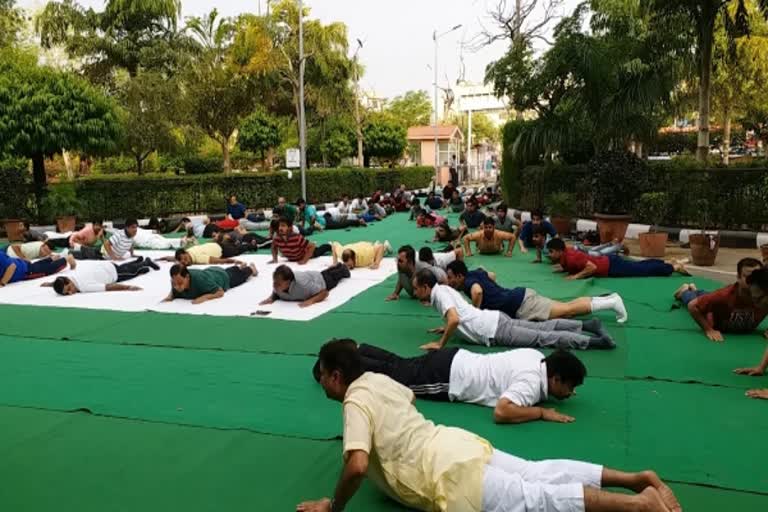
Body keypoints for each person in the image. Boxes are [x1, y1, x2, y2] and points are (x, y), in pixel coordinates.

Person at [297, 339, 681, 512]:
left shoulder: (355, 401)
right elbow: (409, 398)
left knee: (535, 499)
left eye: (323, 381)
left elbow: (358, 465)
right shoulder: (378, 382)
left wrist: (333, 506)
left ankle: (640, 506)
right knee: (536, 474)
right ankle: (636, 479)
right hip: (455, 443)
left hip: (447, 475)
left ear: (334, 377)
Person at [312, 342, 586, 424]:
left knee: (401, 364)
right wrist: (541, 412)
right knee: (397, 376)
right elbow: (502, 411)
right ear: (555, 378)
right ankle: (339, 363)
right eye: (569, 387)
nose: (570, 393)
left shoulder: (537, 357)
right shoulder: (529, 385)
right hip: (448, 379)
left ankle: (360, 348)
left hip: (455, 357)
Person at [413, 269, 615, 351]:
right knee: (543, 328)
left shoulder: (439, 295)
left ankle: (595, 341)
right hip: (495, 319)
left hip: (493, 329)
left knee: (541, 337)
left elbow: (455, 319)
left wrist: (440, 344)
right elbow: (455, 316)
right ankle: (588, 324)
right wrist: (446, 325)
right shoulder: (443, 289)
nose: (414, 292)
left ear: (425, 287)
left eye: (416, 288)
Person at [446, 260, 628, 323]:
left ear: (460, 276)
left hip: (522, 304)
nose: (449, 281)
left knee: (567, 310)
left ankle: (611, 303)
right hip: (520, 296)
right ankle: (609, 299)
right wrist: (496, 292)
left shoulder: (470, 282)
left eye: (451, 277)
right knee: (566, 308)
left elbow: (477, 292)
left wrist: (475, 311)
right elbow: (491, 275)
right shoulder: (475, 272)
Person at [676, 259, 767, 342]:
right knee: (696, 300)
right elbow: (692, 306)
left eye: (757, 277)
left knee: (708, 296)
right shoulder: (723, 296)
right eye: (748, 277)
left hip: (717, 297)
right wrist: (708, 329)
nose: (753, 281)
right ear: (738, 277)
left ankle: (696, 290)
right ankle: (685, 291)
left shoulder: (765, 295)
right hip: (712, 315)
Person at [547, 239, 689, 280]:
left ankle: (673, 267)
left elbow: (592, 268)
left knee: (641, 270)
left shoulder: (572, 256)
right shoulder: (565, 256)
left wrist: (576, 276)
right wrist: (563, 268)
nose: (549, 254)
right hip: (609, 262)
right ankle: (667, 262)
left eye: (551, 252)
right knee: (639, 266)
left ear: (560, 251)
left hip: (610, 266)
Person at [45, 258, 159, 294]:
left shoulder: (84, 287)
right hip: (105, 266)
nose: (70, 293)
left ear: (69, 282)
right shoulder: (71, 277)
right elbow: (61, 282)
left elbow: (108, 287)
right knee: (125, 267)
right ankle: (137, 261)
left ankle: (146, 262)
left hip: (113, 273)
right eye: (67, 293)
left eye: (69, 289)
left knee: (133, 272)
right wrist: (51, 284)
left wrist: (127, 287)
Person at [260, 263, 351, 308]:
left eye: (278, 283)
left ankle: (342, 266)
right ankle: (333, 267)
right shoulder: (278, 285)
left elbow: (324, 292)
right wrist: (271, 298)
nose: (274, 285)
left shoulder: (302, 284)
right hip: (311, 276)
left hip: (322, 280)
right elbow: (275, 293)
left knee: (341, 273)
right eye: (274, 282)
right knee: (328, 271)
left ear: (288, 282)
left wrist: (311, 301)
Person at [164, 262, 257, 304]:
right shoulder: (176, 281)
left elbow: (220, 292)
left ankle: (251, 268)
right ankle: (238, 267)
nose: (177, 287)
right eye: (174, 283)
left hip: (222, 277)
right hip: (210, 272)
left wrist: (204, 297)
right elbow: (173, 291)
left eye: (180, 283)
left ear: (187, 277)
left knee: (241, 275)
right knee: (232, 271)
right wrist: (170, 296)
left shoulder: (200, 280)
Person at [0, 251, 75, 286]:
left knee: (47, 270)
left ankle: (67, 259)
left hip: (25, 272)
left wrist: (2, 283)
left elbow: (12, 267)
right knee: (38, 266)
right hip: (23, 265)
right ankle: (53, 258)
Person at [162, 244, 243, 266]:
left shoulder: (199, 258)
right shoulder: (186, 253)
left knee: (239, 250)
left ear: (186, 253)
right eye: (183, 262)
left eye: (185, 259)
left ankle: (252, 245)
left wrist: (233, 261)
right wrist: (161, 258)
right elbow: (173, 258)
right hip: (212, 245)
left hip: (222, 250)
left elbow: (219, 261)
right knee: (235, 245)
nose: (185, 262)